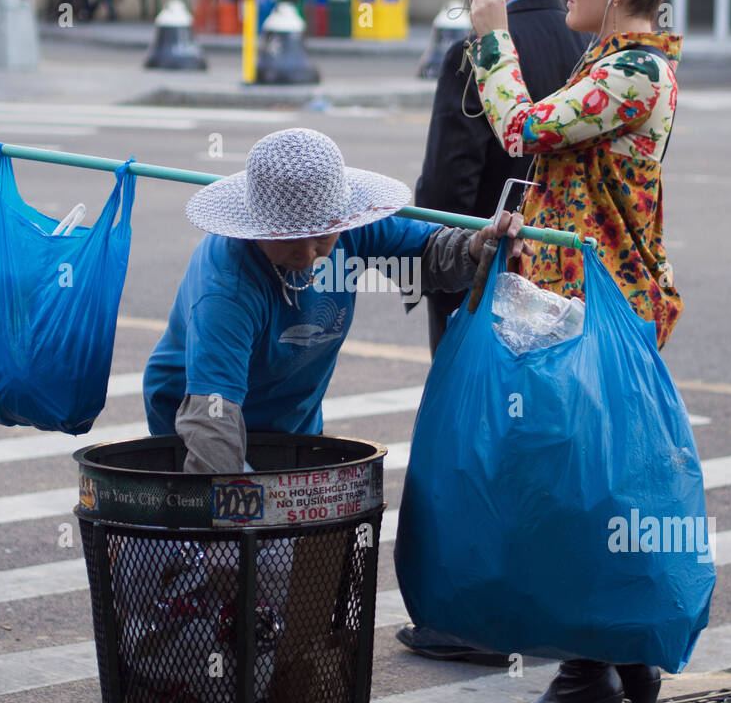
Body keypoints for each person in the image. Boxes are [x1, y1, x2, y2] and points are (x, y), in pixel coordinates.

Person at [467, 0, 685, 703]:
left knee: (577, 489)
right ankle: (618, 655)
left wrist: (490, 37)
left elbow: (523, 129)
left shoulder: (633, 73)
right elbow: (563, 170)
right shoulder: (612, 58)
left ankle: (593, 667)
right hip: (575, 301)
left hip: (601, 311)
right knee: (590, 486)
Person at [398, 0, 595, 666]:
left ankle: (472, 617)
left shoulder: (476, 52)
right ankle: (553, 603)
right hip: (572, 284)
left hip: (485, 281)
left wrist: (428, 264)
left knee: (475, 446)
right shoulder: (593, 48)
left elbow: (447, 185)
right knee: (550, 443)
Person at [142, 127, 523, 474]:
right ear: (257, 227)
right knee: (223, 533)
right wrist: (236, 508)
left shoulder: (351, 228)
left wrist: (477, 248)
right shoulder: (227, 287)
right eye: (290, 239)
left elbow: (427, 254)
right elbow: (213, 419)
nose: (308, 254)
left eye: (323, 237)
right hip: (202, 423)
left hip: (291, 420)